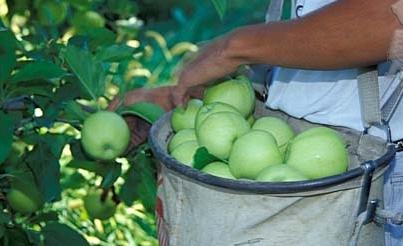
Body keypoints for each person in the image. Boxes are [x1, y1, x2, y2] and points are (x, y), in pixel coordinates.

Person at [110, 0, 403, 245]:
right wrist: (195, 109)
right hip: (291, 152)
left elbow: (395, 18)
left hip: (374, 178)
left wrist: (235, 47)